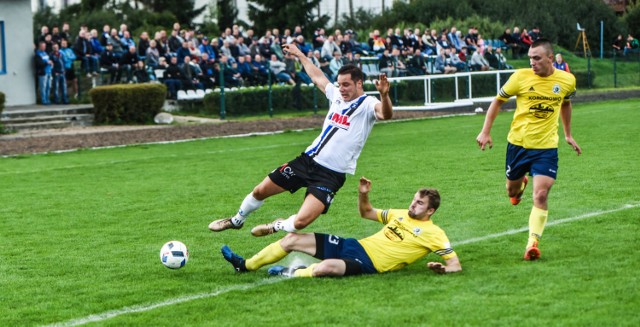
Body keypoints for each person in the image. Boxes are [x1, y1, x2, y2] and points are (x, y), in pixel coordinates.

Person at [209, 42, 393, 236]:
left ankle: (277, 225)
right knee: (260, 190)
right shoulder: (337, 96)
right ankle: (237, 220)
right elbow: (317, 77)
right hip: (306, 161)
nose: (341, 89)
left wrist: (384, 95)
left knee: (301, 222)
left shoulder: (368, 104)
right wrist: (299, 54)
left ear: (359, 84)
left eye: (346, 85)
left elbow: (386, 114)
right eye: (339, 84)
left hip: (330, 175)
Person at [221, 177, 462, 277]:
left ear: (430, 210)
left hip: (369, 264)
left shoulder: (434, 234)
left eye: (420, 203)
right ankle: (245, 266)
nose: (413, 204)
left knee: (325, 267)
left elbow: (455, 265)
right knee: (292, 239)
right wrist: (362, 194)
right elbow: (366, 212)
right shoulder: (399, 214)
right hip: (354, 246)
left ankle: (291, 273)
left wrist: (442, 268)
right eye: (414, 199)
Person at [475, 39, 582, 261]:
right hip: (518, 145)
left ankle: (532, 243)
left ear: (550, 58)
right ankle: (520, 184)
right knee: (511, 192)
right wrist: (485, 131)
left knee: (541, 194)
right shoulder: (520, 77)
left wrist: (568, 134)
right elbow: (497, 102)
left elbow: (565, 103)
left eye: (537, 58)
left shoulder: (567, 81)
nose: (532, 62)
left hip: (546, 148)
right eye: (530, 58)